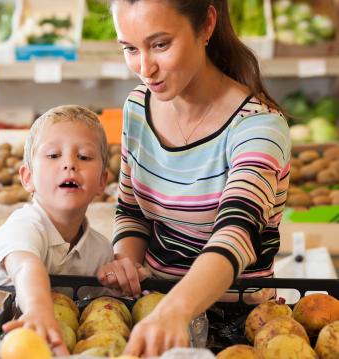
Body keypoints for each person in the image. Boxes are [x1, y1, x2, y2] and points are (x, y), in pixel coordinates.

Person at [96, 0, 291, 356]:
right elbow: (131, 211)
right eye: (130, 49)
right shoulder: (137, 106)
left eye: (160, 45)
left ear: (206, 26)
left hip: (241, 330)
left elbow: (236, 235)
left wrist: (176, 309)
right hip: (153, 314)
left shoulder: (259, 127)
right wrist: (126, 262)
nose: (145, 68)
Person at [0, 105, 114, 355]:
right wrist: (38, 309)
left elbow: (98, 316)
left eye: (84, 157)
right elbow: (25, 266)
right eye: (53, 155)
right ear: (27, 177)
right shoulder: (23, 225)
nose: (69, 164)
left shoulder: (101, 251)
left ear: (102, 182)